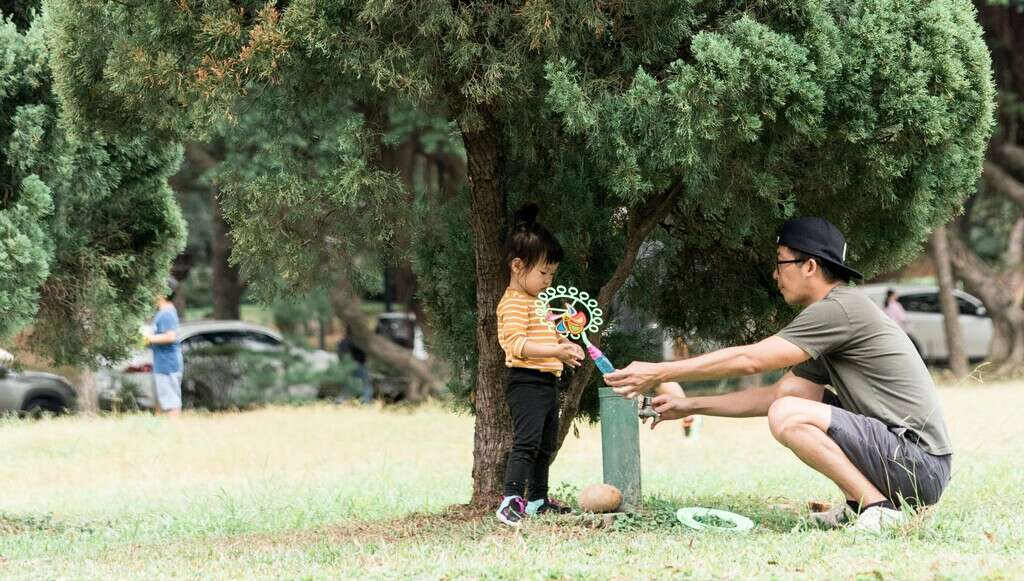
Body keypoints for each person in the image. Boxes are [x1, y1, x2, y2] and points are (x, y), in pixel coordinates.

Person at [605, 217, 952, 533]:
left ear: (810, 266)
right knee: (788, 404)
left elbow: (751, 360)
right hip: (907, 461)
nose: (775, 274)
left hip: (917, 464)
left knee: (788, 415)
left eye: (781, 262)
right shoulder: (834, 315)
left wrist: (659, 371)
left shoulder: (839, 310)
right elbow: (780, 394)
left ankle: (877, 507)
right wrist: (690, 404)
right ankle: (861, 504)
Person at [494, 203, 585, 527]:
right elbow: (516, 344)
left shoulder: (538, 302)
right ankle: (510, 500)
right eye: (543, 273)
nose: (548, 280)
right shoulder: (514, 303)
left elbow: (548, 338)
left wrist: (564, 346)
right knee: (527, 443)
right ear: (518, 266)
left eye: (552, 274)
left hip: (546, 382)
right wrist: (554, 351)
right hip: (526, 382)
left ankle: (537, 500)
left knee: (545, 444)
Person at [143, 277, 183, 417]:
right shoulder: (162, 312)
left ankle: (174, 432)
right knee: (164, 400)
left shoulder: (167, 313)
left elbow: (171, 336)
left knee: (171, 401)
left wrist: (148, 338)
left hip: (168, 364)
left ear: (163, 292)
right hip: (162, 362)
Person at [337, 326, 372, 404]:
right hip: (359, 365)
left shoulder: (343, 341)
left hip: (347, 366)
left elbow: (340, 355)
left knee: (347, 384)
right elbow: (364, 354)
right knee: (366, 383)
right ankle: (366, 401)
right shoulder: (359, 342)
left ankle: (340, 400)